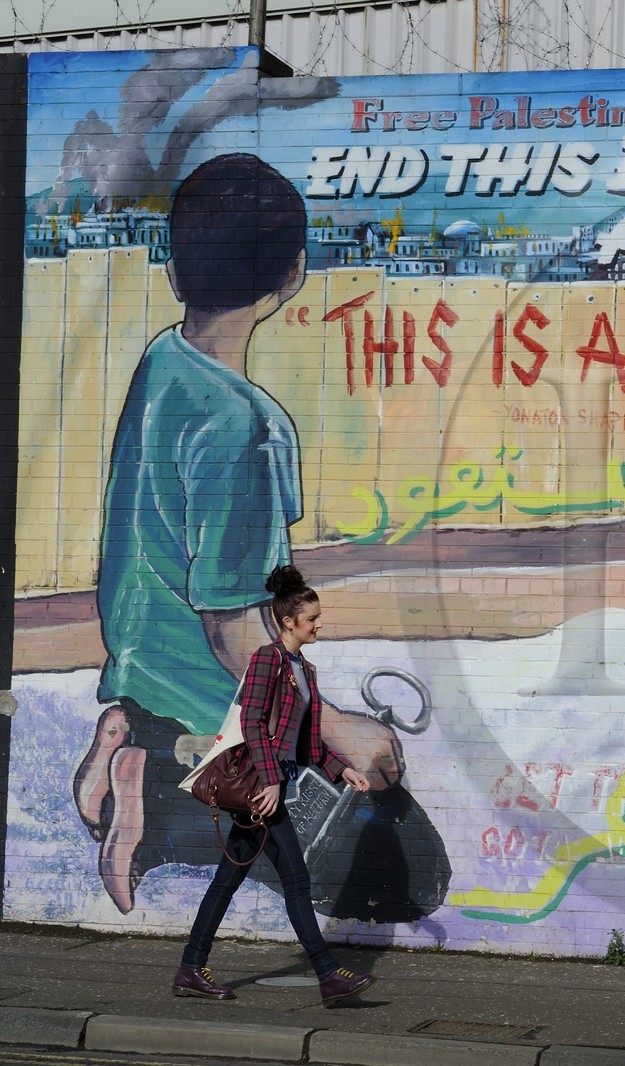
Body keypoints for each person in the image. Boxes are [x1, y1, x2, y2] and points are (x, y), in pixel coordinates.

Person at [75, 152, 407, 914]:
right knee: (403, 875)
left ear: (174, 263)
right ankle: (158, 802)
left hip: (142, 663)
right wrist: (330, 726)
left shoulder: (164, 362)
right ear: (289, 277)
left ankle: (136, 739)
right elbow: (231, 630)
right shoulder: (249, 429)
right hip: (211, 696)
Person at [173, 565, 376, 1006]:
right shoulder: (268, 659)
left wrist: (342, 770)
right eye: (312, 619)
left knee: (227, 881)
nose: (320, 624)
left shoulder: (304, 669)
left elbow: (304, 740)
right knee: (297, 882)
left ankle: (191, 966)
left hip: (269, 789)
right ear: (289, 622)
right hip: (261, 793)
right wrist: (270, 782)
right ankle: (327, 974)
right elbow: (250, 720)